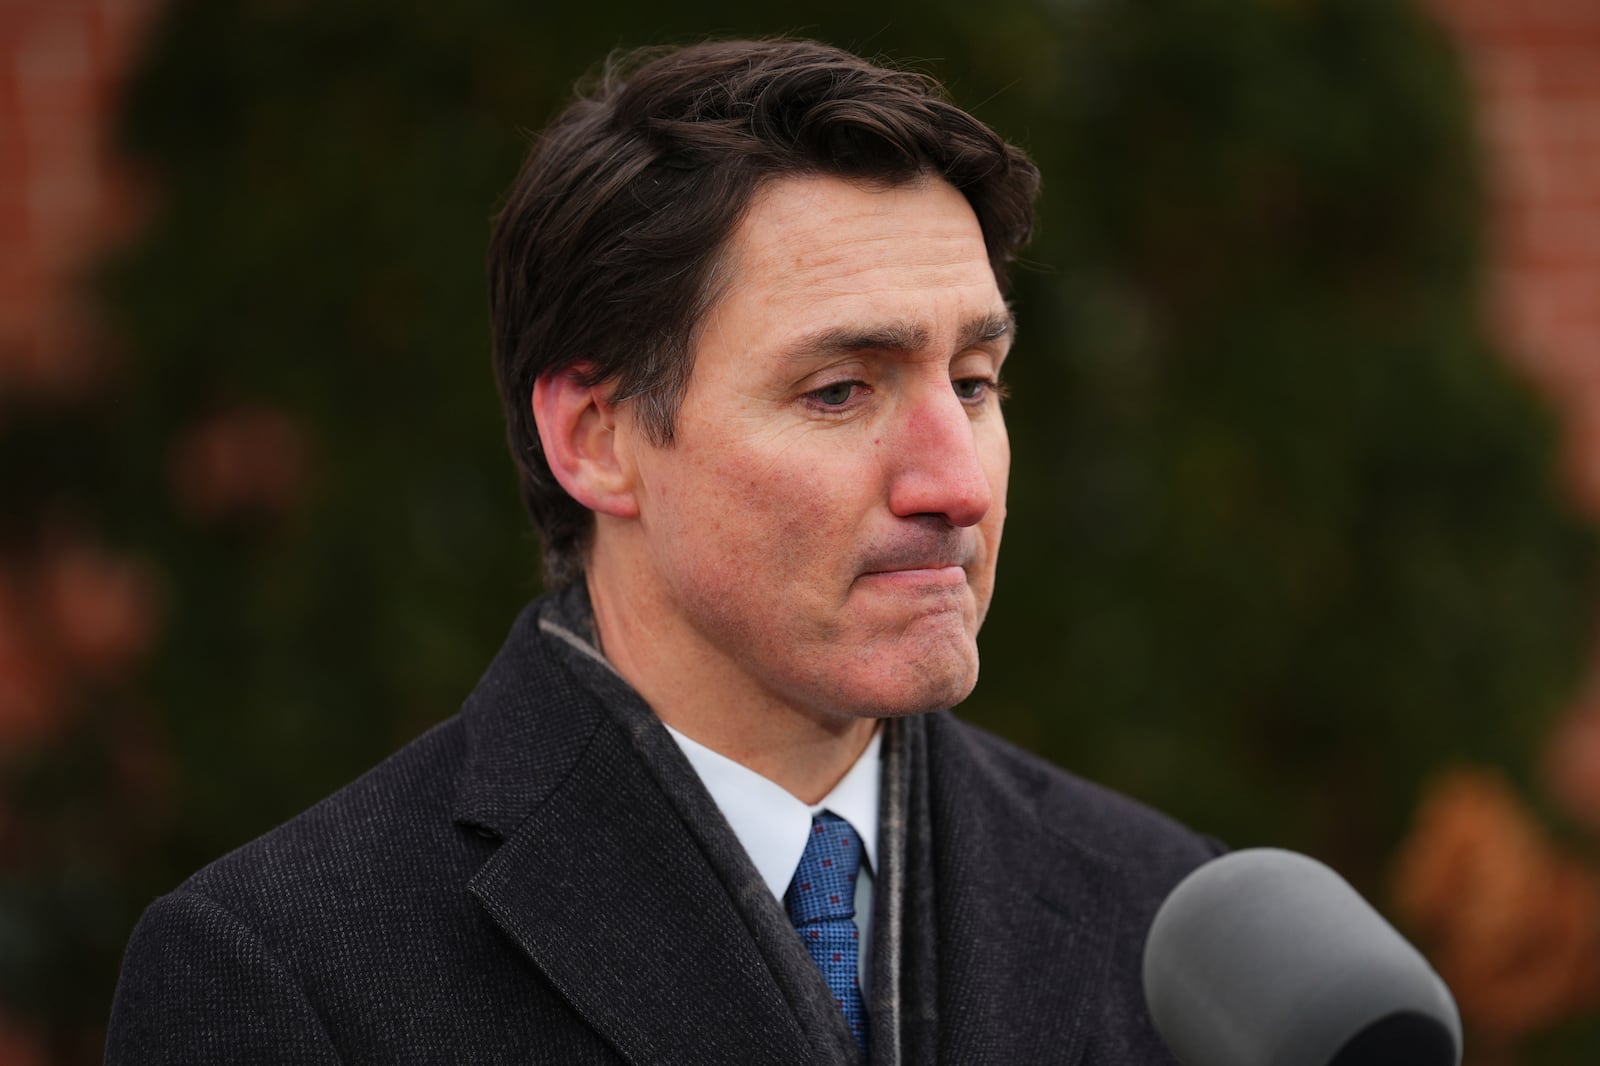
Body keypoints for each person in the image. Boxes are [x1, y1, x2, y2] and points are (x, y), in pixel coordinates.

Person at [106, 38, 1218, 1065]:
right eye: (838, 391)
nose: (958, 484)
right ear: (596, 439)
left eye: (974, 383)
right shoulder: (287, 976)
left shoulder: (1171, 923)